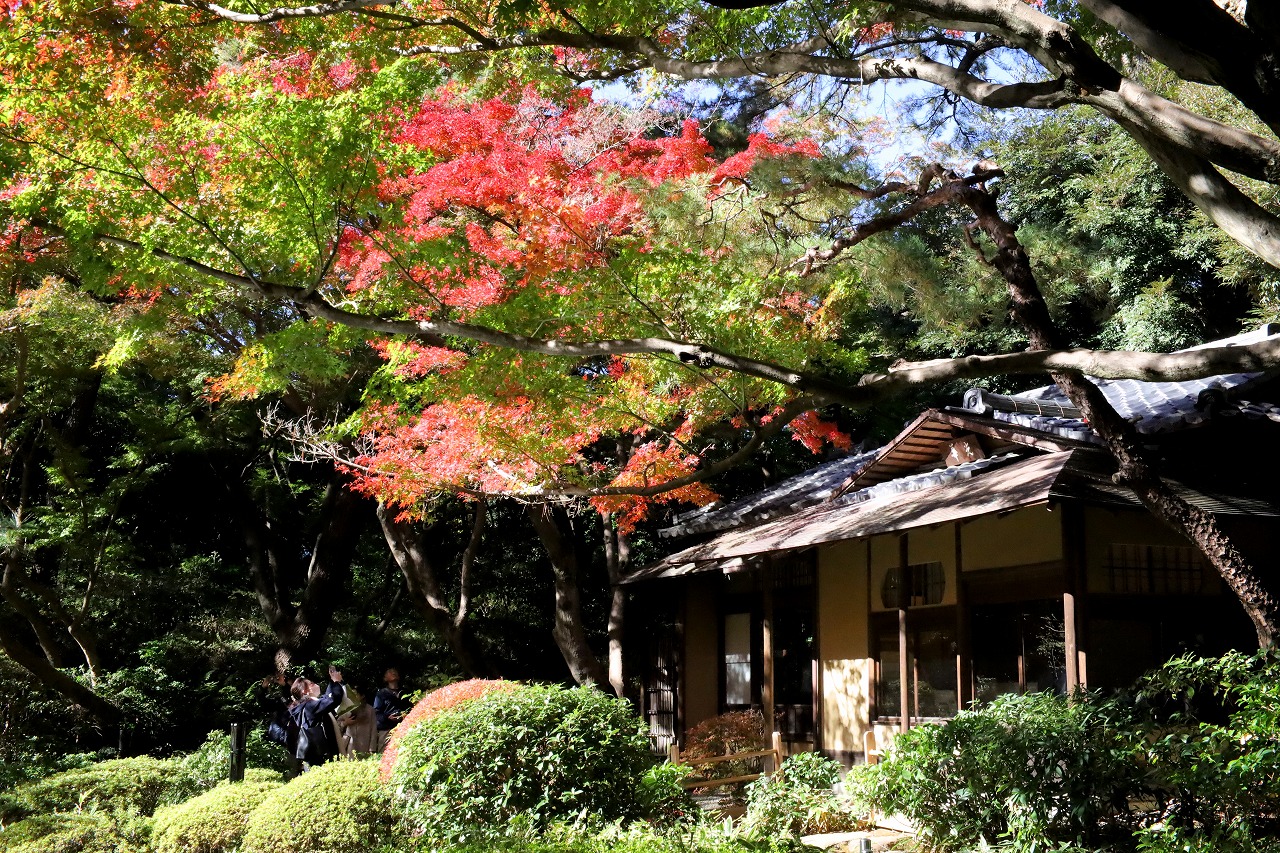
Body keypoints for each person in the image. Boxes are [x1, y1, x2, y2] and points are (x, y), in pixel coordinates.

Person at [289, 667, 344, 769]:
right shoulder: (310, 706)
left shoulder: (306, 706)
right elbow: (333, 699)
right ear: (305, 692)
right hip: (322, 757)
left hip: (315, 756)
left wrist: (332, 681)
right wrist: (336, 682)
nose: (315, 684)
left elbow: (326, 698)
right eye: (311, 684)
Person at [332, 675, 378, 758]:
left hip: (365, 745)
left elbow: (374, 729)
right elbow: (336, 725)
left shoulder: (370, 709)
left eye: (355, 694)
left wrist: (372, 748)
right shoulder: (346, 708)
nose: (353, 696)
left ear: (362, 696)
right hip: (349, 744)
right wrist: (345, 723)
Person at [373, 667, 412, 752]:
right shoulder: (381, 694)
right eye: (390, 672)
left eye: (395, 671)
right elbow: (377, 712)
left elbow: (412, 708)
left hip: (404, 727)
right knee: (386, 753)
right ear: (385, 678)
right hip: (387, 730)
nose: (393, 672)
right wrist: (387, 717)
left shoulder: (405, 692)